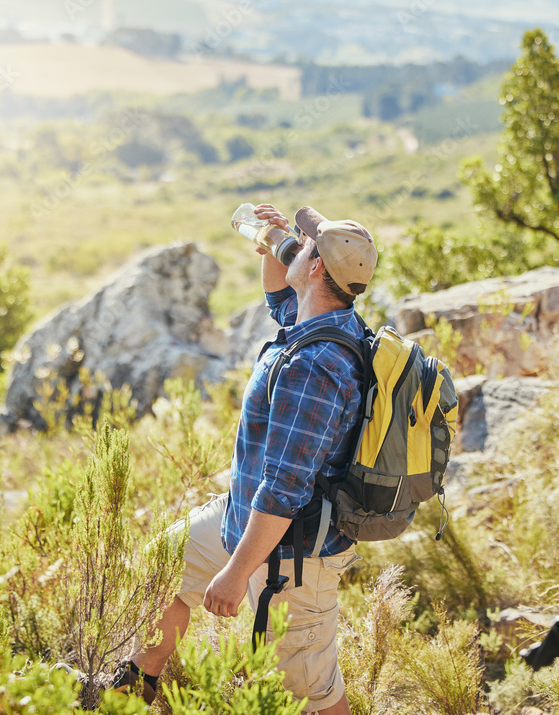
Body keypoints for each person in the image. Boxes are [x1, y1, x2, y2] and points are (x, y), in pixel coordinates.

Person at [105, 203, 378, 714]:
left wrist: (235, 573)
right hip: (246, 518)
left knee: (310, 690)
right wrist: (273, 243)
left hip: (291, 554)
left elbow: (285, 487)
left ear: (316, 266)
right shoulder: (318, 317)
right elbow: (279, 297)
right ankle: (131, 694)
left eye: (306, 244)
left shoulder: (317, 364)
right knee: (162, 567)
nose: (297, 243)